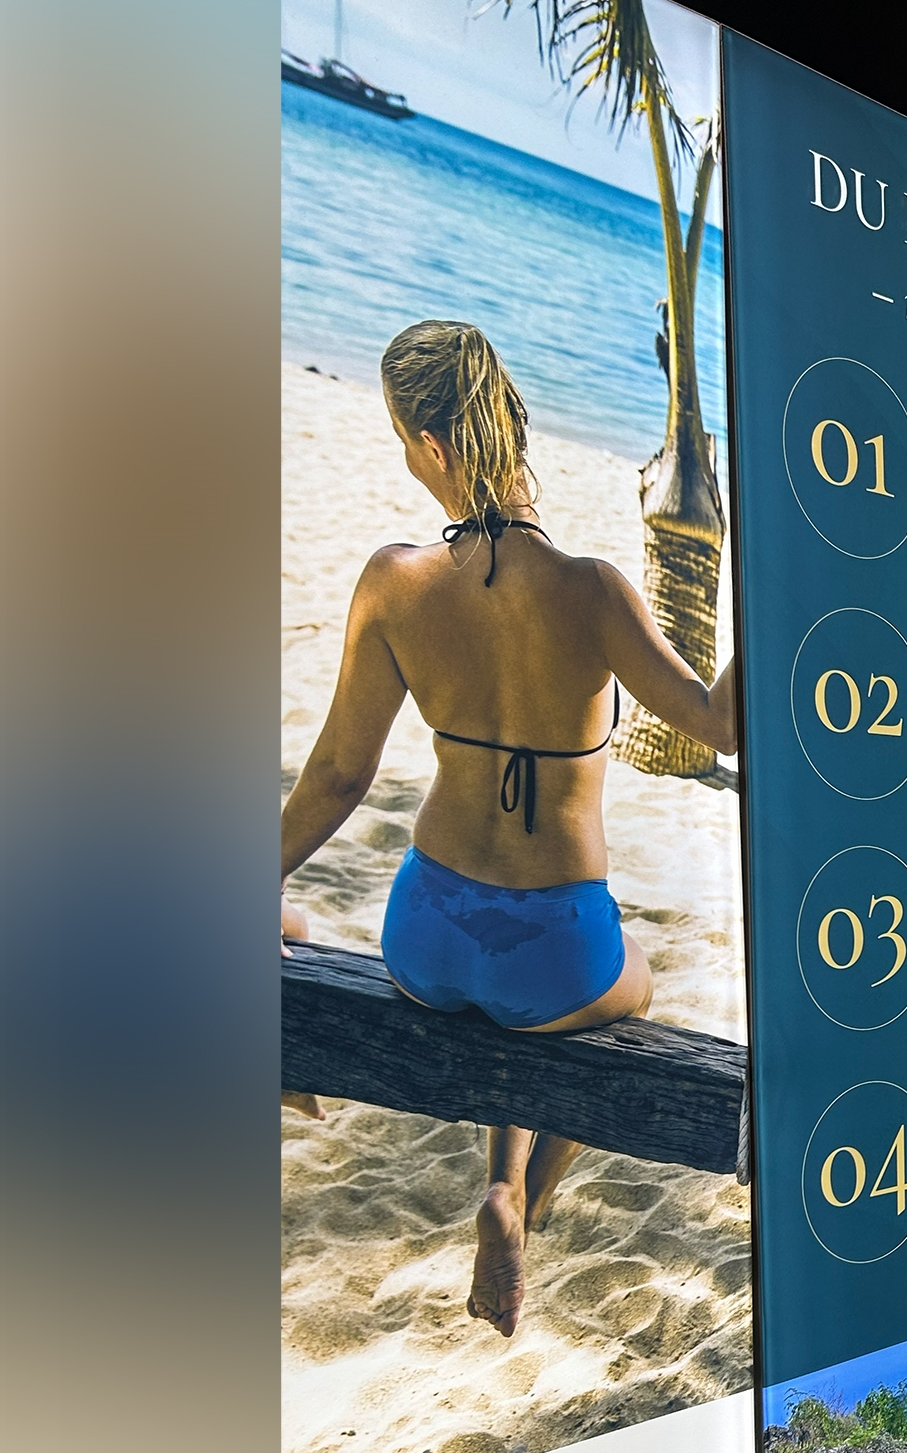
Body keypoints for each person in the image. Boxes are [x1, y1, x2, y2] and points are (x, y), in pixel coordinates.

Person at [280, 320, 739, 1338]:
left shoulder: (394, 581)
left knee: (496, 990)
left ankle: (501, 1179)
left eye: (403, 439)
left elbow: (339, 775)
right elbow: (723, 724)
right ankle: (517, 1199)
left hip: (425, 936)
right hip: (558, 955)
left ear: (434, 444)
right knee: (633, 984)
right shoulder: (592, 591)